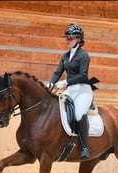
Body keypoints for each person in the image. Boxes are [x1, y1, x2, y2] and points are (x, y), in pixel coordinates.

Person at [49, 23, 94, 159]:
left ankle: (85, 147)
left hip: (83, 89)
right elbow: (58, 72)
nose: (67, 41)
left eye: (71, 38)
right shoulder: (65, 56)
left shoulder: (84, 55)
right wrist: (51, 83)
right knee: (55, 108)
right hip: (71, 90)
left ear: (78, 39)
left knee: (79, 114)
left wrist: (65, 81)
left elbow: (83, 75)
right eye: (67, 38)